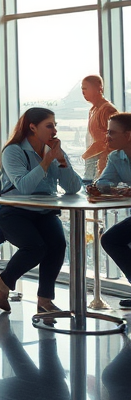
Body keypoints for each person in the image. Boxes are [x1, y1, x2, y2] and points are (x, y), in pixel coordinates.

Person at [0, 107, 81, 317]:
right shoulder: (13, 151)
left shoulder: (53, 151)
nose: (54, 130)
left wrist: (62, 161)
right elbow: (24, 187)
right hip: (14, 211)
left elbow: (74, 187)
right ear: (32, 127)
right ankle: (3, 281)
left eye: (55, 125)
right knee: (36, 247)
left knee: (57, 245)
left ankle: (44, 300)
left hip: (44, 211)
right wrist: (47, 161)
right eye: (49, 125)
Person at [88, 111, 131, 309]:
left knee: (113, 239)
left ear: (128, 135)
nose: (107, 137)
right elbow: (104, 180)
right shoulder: (116, 156)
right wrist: (102, 187)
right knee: (111, 239)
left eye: (112, 133)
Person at [81, 75, 118, 180]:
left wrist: (87, 155)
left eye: (85, 88)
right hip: (93, 158)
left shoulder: (108, 110)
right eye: (82, 89)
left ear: (99, 89)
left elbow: (113, 138)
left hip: (104, 159)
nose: (83, 92)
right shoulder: (93, 110)